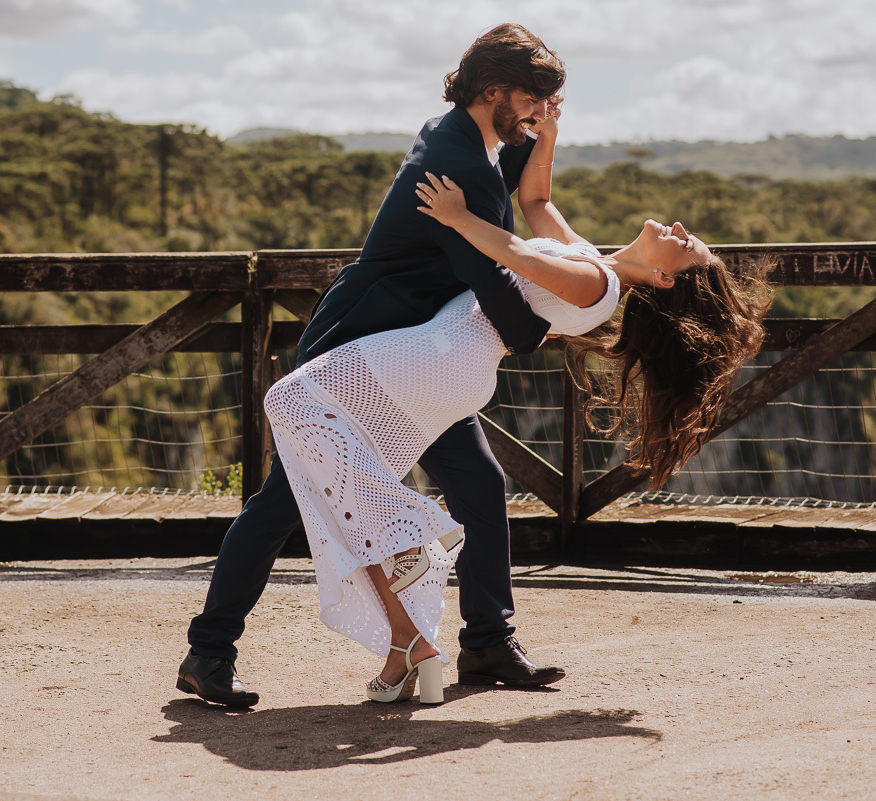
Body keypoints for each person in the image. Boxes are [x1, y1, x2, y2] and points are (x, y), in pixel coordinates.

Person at [264, 141, 772, 700]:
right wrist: (547, 133)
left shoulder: (598, 288)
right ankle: (407, 638)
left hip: (437, 357)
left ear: (666, 279)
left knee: (289, 402)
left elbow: (517, 257)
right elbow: (535, 199)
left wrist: (458, 217)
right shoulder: (593, 264)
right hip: (446, 365)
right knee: (336, 469)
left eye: (686, 245)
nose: (679, 227)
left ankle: (410, 537)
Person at [178, 23, 568, 708]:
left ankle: (486, 640)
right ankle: (207, 652)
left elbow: (494, 195)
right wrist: (545, 329)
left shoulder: (461, 139)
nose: (539, 111)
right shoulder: (455, 166)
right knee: (283, 504)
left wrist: (537, 140)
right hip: (355, 358)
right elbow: (490, 276)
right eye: (532, 98)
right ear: (491, 89)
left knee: (478, 481)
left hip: (408, 362)